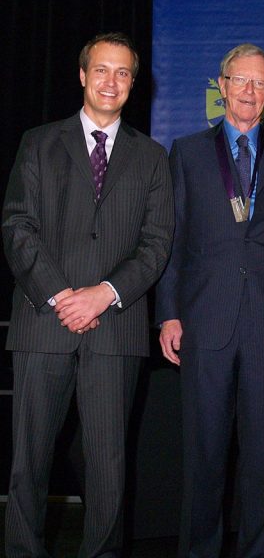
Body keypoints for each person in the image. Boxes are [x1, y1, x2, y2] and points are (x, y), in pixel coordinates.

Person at [2, 32, 174, 558]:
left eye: (122, 73)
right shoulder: (38, 142)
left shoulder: (152, 157)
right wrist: (61, 296)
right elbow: (17, 226)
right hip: (43, 326)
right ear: (82, 75)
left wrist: (103, 295)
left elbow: (157, 242)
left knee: (108, 471)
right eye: (101, 70)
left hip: (115, 332)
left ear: (133, 83)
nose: (111, 81)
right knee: (29, 465)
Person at [156, 43, 264, 558]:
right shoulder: (187, 153)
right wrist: (170, 313)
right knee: (203, 457)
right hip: (205, 323)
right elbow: (173, 240)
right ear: (221, 87)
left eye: (260, 83)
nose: (249, 91)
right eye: (240, 81)